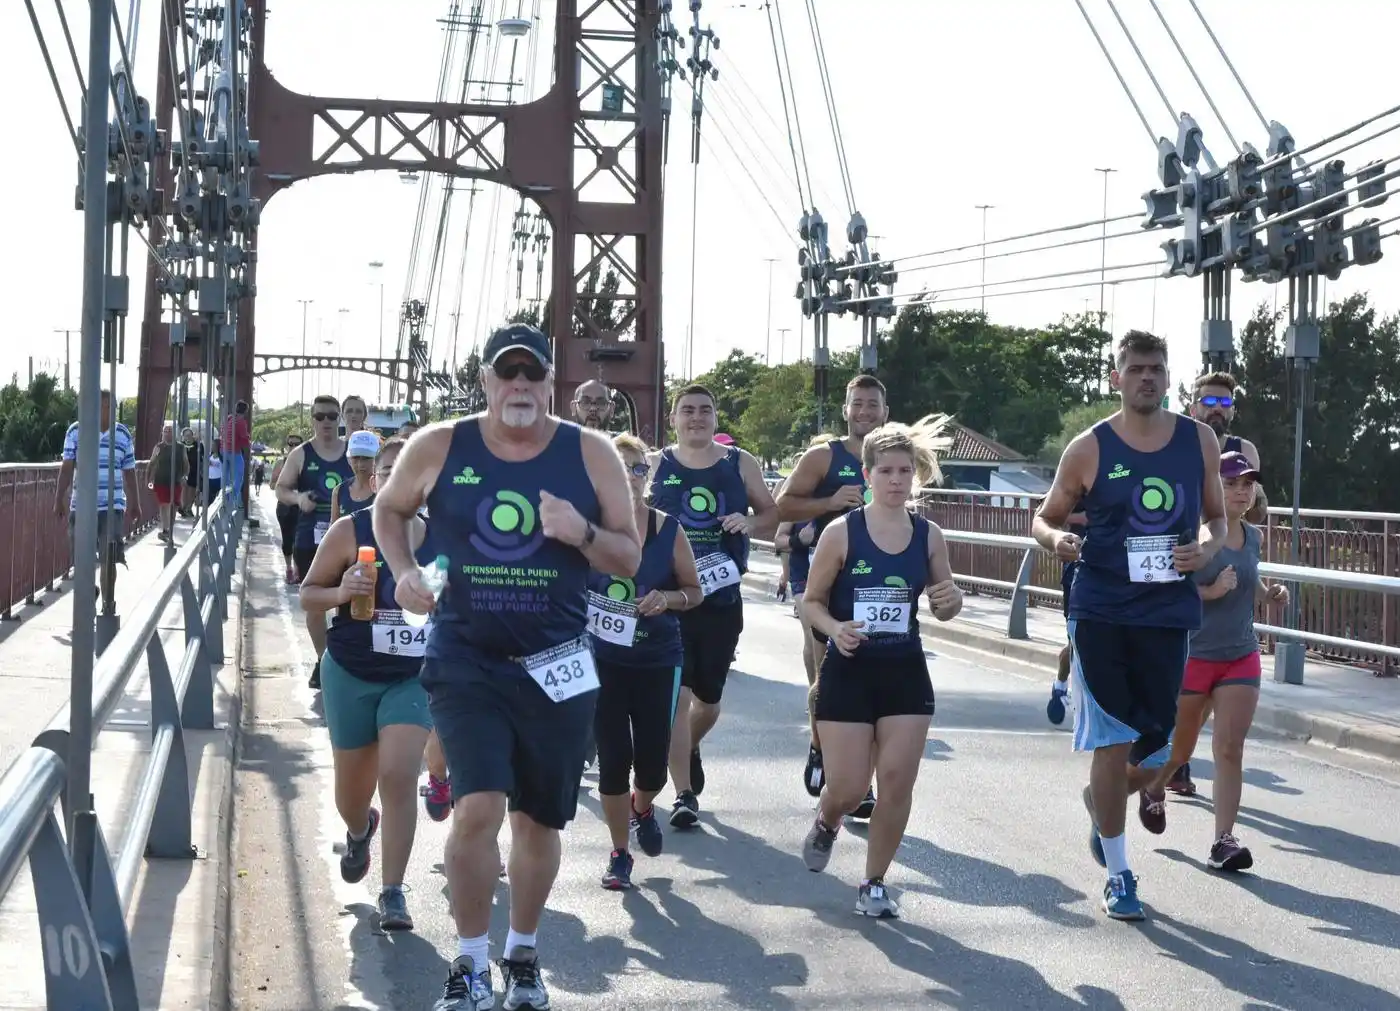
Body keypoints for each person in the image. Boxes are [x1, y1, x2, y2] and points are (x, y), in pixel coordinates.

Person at [373, 323, 640, 1010]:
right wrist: (403, 571)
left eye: (533, 373)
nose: (520, 385)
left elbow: (629, 557)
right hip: (466, 657)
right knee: (478, 807)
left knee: (537, 823)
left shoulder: (591, 452)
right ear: (486, 380)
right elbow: (390, 507)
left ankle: (522, 951)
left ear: (550, 381)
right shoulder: (442, 444)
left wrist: (578, 531)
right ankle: (469, 962)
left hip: (557, 661)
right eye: (506, 373)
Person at [1032, 329, 1226, 922]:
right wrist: (1059, 539)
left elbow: (1216, 520)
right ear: (1117, 378)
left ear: (1170, 379)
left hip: (1167, 613)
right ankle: (1119, 873)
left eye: (1157, 369)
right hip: (1101, 610)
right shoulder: (1089, 447)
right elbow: (1044, 518)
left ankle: (1103, 798)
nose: (1147, 377)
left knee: (1162, 749)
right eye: (1136, 368)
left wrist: (1204, 548)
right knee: (1112, 739)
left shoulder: (1199, 442)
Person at [799, 416, 962, 919]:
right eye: (886, 471)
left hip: (904, 672)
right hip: (849, 670)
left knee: (895, 782)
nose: (896, 480)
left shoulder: (928, 534)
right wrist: (834, 628)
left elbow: (945, 603)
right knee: (848, 788)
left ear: (915, 476)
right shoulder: (841, 532)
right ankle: (828, 819)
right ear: (866, 474)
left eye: (904, 471)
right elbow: (810, 603)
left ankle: (873, 882)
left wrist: (950, 598)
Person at [298, 437, 435, 931]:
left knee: (399, 776)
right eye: (388, 472)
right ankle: (360, 829)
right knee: (350, 797)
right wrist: (343, 589)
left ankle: (393, 890)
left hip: (412, 678)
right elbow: (308, 597)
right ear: (374, 481)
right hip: (352, 672)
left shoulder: (441, 541)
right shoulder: (347, 531)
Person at [647, 385, 778, 828]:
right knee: (677, 699)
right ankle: (684, 794)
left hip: (721, 598)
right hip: (672, 600)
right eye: (688, 411)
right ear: (674, 419)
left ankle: (690, 745)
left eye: (705, 411)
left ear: (716, 420)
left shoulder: (740, 464)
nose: (697, 418)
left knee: (709, 702)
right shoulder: (654, 465)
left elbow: (771, 513)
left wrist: (750, 521)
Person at [1151, 451, 1288, 872]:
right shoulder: (1197, 538)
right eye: (1231, 484)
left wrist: (1268, 594)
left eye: (1247, 484)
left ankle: (1223, 842)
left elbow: (1249, 579)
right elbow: (1166, 589)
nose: (1241, 491)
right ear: (1212, 488)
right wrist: (1209, 593)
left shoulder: (1253, 536)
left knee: (1230, 748)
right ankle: (1154, 788)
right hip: (1195, 655)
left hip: (1240, 655)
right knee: (1182, 748)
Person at [590, 433, 702, 890]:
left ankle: (643, 806)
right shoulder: (586, 529)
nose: (630, 477)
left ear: (648, 475)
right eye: (619, 467)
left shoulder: (667, 529)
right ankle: (619, 854)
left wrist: (669, 598)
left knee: (652, 765)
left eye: (637, 468)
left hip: (658, 659)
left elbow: (695, 592)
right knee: (614, 759)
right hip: (602, 661)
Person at [776, 375, 889, 811]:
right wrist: (828, 504)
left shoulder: (892, 456)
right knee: (829, 677)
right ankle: (823, 748)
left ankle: (861, 782)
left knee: (876, 681)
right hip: (821, 582)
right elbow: (781, 507)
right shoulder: (824, 456)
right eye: (857, 404)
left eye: (872, 404)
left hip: (874, 583)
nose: (864, 411)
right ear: (846, 410)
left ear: (885, 410)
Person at [1171, 370, 1262, 794]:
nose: (1217, 410)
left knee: (1207, 686)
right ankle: (1171, 758)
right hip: (1182, 559)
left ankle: (1177, 761)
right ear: (1193, 406)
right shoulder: (1177, 444)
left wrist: (1239, 498)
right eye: (1209, 401)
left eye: (1225, 404)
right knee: (1182, 682)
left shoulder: (1245, 451)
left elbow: (1257, 509)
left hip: (1221, 557)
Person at [275, 395, 354, 690]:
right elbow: (281, 488)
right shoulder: (300, 454)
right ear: (312, 419)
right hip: (311, 538)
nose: (326, 422)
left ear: (340, 419)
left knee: (351, 603)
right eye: (319, 416)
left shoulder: (351, 454)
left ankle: (348, 661)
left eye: (332, 416)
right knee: (315, 606)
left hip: (350, 539)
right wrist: (298, 499)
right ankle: (324, 661)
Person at [53, 389, 138, 600]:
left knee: (110, 555)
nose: (107, 410)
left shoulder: (123, 434)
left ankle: (109, 603)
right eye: (103, 405)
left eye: (111, 406)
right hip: (81, 505)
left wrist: (136, 502)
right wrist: (58, 499)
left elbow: (130, 471)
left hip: (112, 505)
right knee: (81, 557)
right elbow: (66, 468)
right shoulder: (76, 431)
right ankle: (90, 593)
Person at [1047, 504, 1088, 725]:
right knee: (1078, 640)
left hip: (1119, 572)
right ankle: (1061, 685)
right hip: (1079, 570)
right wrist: (1081, 517)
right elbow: (1045, 511)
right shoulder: (1080, 473)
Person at [146, 422, 187, 544]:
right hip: (161, 480)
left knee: (173, 505)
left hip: (176, 480)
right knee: (164, 504)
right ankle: (165, 529)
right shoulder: (159, 447)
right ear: (162, 433)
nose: (168, 433)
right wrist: (148, 479)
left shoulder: (180, 447)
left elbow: (186, 463)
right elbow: (152, 462)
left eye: (170, 431)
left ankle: (170, 529)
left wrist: (185, 475)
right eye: (166, 431)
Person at [272, 434, 304, 584]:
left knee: (300, 539)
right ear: (287, 446)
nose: (294, 447)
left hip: (301, 506)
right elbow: (272, 485)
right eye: (291, 444)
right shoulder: (280, 463)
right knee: (287, 540)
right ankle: (289, 568)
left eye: (297, 444)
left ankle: (298, 570)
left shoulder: (306, 462)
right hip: (285, 507)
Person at [330, 430, 381, 523]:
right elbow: (332, 530)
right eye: (356, 458)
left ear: (376, 459)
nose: (360, 464)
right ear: (349, 459)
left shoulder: (385, 490)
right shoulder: (339, 491)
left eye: (366, 458)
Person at [221, 400, 252, 506]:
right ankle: (233, 497)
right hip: (234, 451)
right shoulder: (241, 422)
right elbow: (244, 438)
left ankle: (224, 495)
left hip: (223, 449)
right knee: (239, 474)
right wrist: (248, 442)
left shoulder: (229, 419)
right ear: (246, 411)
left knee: (226, 474)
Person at [181, 426, 204, 518]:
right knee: (184, 489)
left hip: (194, 470)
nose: (188, 437)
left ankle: (188, 508)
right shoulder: (180, 445)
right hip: (183, 470)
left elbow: (202, 457)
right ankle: (183, 507)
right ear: (183, 436)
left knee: (192, 490)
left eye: (190, 435)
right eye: (186, 435)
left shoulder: (198, 445)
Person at [207, 437, 225, 505]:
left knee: (217, 497)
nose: (212, 447)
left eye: (214, 445)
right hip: (210, 479)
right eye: (211, 445)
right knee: (209, 497)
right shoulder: (210, 455)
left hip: (218, 479)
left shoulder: (222, 457)